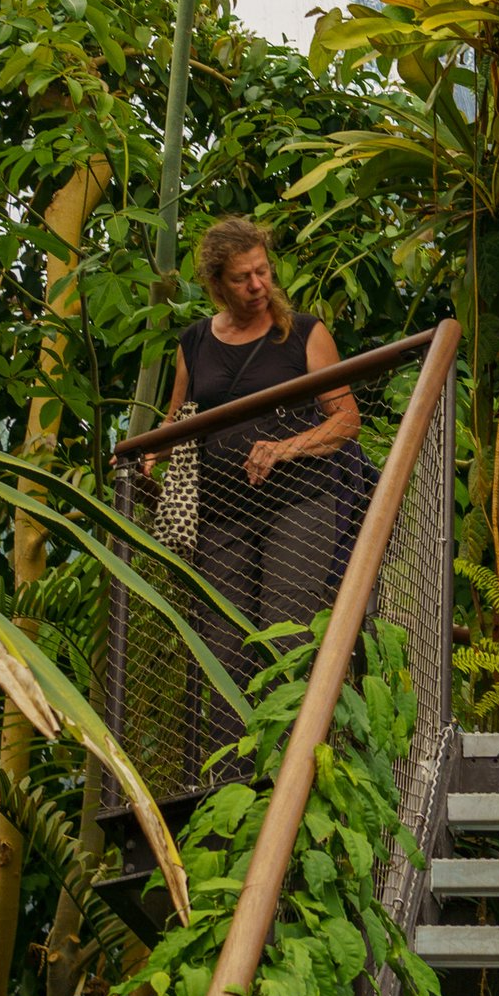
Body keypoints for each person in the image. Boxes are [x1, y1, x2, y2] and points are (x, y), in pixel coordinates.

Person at [174, 219, 361, 753]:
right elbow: (177, 421)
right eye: (241, 278)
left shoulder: (303, 332)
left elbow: (346, 419)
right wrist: (146, 460)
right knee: (223, 647)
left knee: (286, 635)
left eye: (262, 271)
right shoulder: (194, 343)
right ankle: (231, 784)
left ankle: (293, 772)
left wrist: (285, 447)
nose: (257, 286)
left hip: (299, 503)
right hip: (220, 515)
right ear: (216, 284)